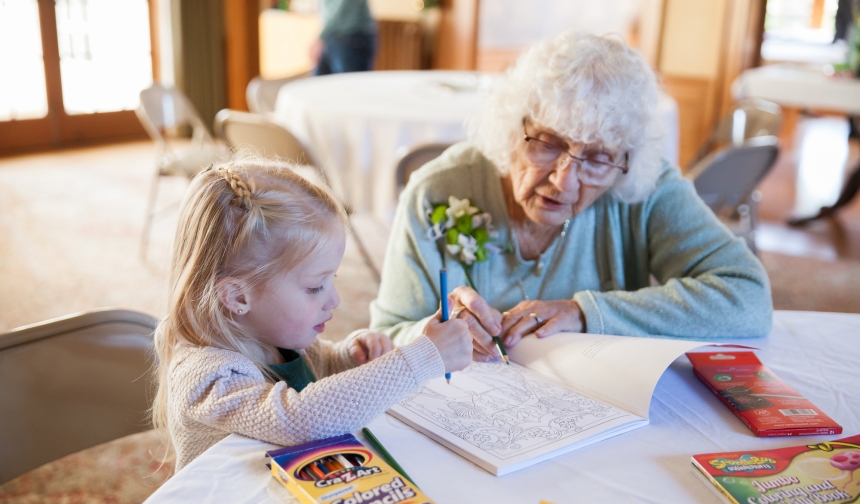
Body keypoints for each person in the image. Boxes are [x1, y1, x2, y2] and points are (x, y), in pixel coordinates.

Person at [370, 32, 772, 360]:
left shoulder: (643, 186)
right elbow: (385, 337)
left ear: (624, 159)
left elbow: (748, 296)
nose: (564, 182)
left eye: (597, 158)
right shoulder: (437, 191)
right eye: (547, 144)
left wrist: (586, 312)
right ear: (512, 127)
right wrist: (432, 335)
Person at [152, 159, 471, 471]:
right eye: (315, 286)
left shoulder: (271, 337)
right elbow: (298, 417)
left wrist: (350, 355)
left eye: (333, 279)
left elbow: (319, 365)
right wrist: (421, 358)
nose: (334, 300)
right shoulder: (205, 377)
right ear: (237, 296)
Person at [311, 0, 377, 75]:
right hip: (332, 37)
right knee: (321, 81)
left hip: (351, 39)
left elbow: (342, 8)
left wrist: (321, 38)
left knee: (351, 83)